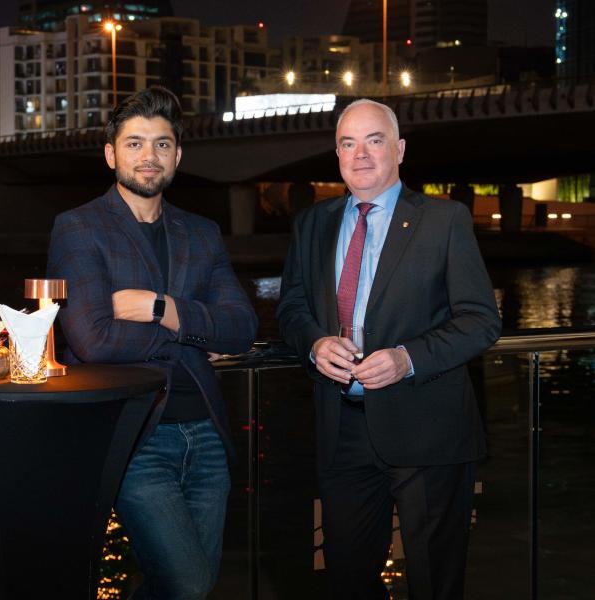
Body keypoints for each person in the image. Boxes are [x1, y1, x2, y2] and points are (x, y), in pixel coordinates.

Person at [276, 99, 501, 599]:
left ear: (398, 149)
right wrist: (314, 344)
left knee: (434, 583)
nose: (361, 154)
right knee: (347, 581)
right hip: (342, 431)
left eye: (374, 140)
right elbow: (291, 306)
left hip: (429, 431)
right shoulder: (312, 224)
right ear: (336, 155)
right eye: (348, 143)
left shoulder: (444, 220)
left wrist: (407, 358)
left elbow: (481, 321)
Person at [46, 86, 258, 599]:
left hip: (207, 434)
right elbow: (93, 341)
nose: (149, 156)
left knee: (195, 585)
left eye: (162, 144)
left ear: (178, 156)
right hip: (133, 435)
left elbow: (242, 327)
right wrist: (189, 335)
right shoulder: (79, 228)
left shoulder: (202, 232)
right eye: (135, 143)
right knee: (184, 582)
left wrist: (161, 309)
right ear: (111, 154)